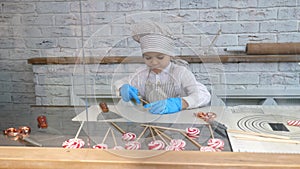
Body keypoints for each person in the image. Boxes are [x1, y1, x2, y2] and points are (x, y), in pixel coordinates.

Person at [114, 21, 211, 115]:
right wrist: (123, 88)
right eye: (148, 58)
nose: (154, 62)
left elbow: (203, 95)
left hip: (177, 119)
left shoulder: (180, 73)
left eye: (160, 57)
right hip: (149, 118)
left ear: (170, 55)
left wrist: (180, 103)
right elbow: (122, 83)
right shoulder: (141, 74)